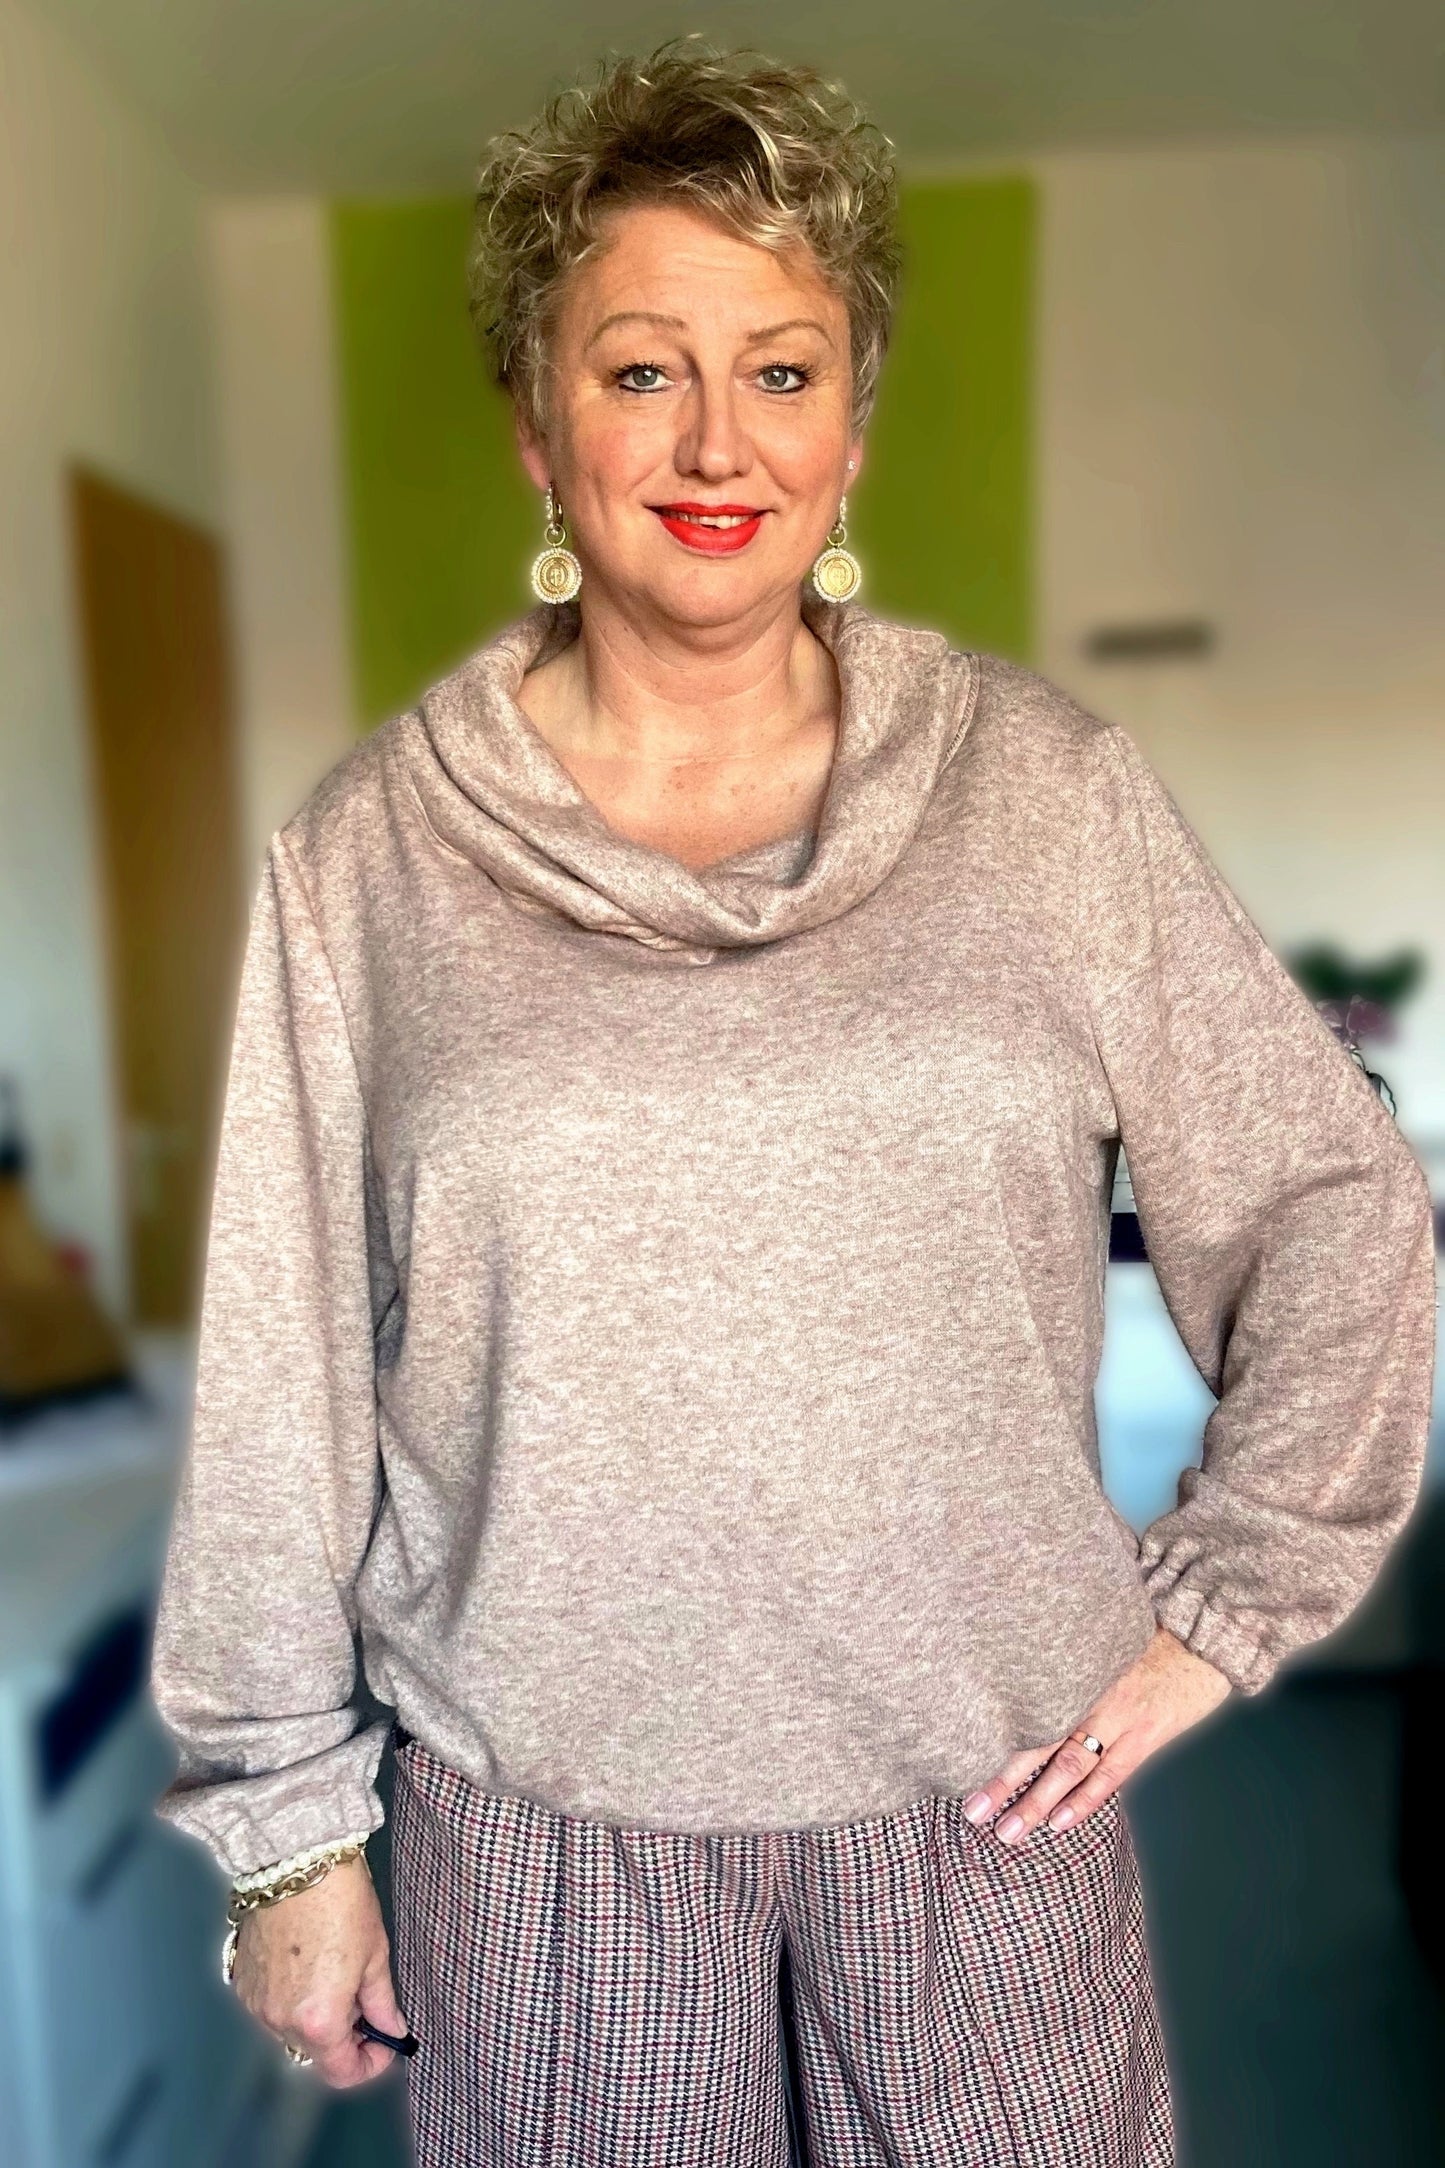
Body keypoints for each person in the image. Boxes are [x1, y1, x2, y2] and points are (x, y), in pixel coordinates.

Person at [150, 38, 1438, 2168]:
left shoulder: (1050, 801)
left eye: (781, 368)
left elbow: (1332, 1203)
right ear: (538, 426)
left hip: (990, 1816)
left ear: (853, 428)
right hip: (545, 1854)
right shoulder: (369, 860)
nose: (714, 439)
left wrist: (1224, 1609)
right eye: (639, 370)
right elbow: (286, 1375)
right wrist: (290, 1830)